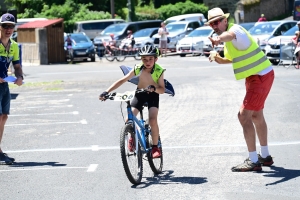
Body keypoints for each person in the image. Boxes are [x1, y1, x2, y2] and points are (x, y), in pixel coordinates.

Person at [206, 7, 274, 172]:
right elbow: (229, 60)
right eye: (211, 24)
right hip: (257, 77)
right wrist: (216, 57)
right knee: (256, 116)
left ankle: (253, 161)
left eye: (217, 22)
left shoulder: (234, 30)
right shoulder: (229, 40)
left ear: (225, 20)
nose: (214, 26)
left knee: (243, 116)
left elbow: (228, 36)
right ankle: (265, 156)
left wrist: (217, 40)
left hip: (259, 77)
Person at [99, 44, 165, 158]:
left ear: (156, 59)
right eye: (144, 59)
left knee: (153, 120)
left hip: (154, 95)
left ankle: (155, 147)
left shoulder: (159, 70)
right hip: (140, 94)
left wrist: (154, 88)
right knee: (128, 119)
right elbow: (123, 80)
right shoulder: (138, 68)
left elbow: (162, 89)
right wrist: (106, 91)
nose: (147, 62)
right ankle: (132, 138)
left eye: (150, 59)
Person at [0, 13, 23, 165]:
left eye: (11, 26)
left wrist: (19, 77)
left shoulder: (14, 45)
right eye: (5, 26)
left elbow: (17, 66)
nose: (8, 29)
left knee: (4, 116)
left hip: (4, 85)